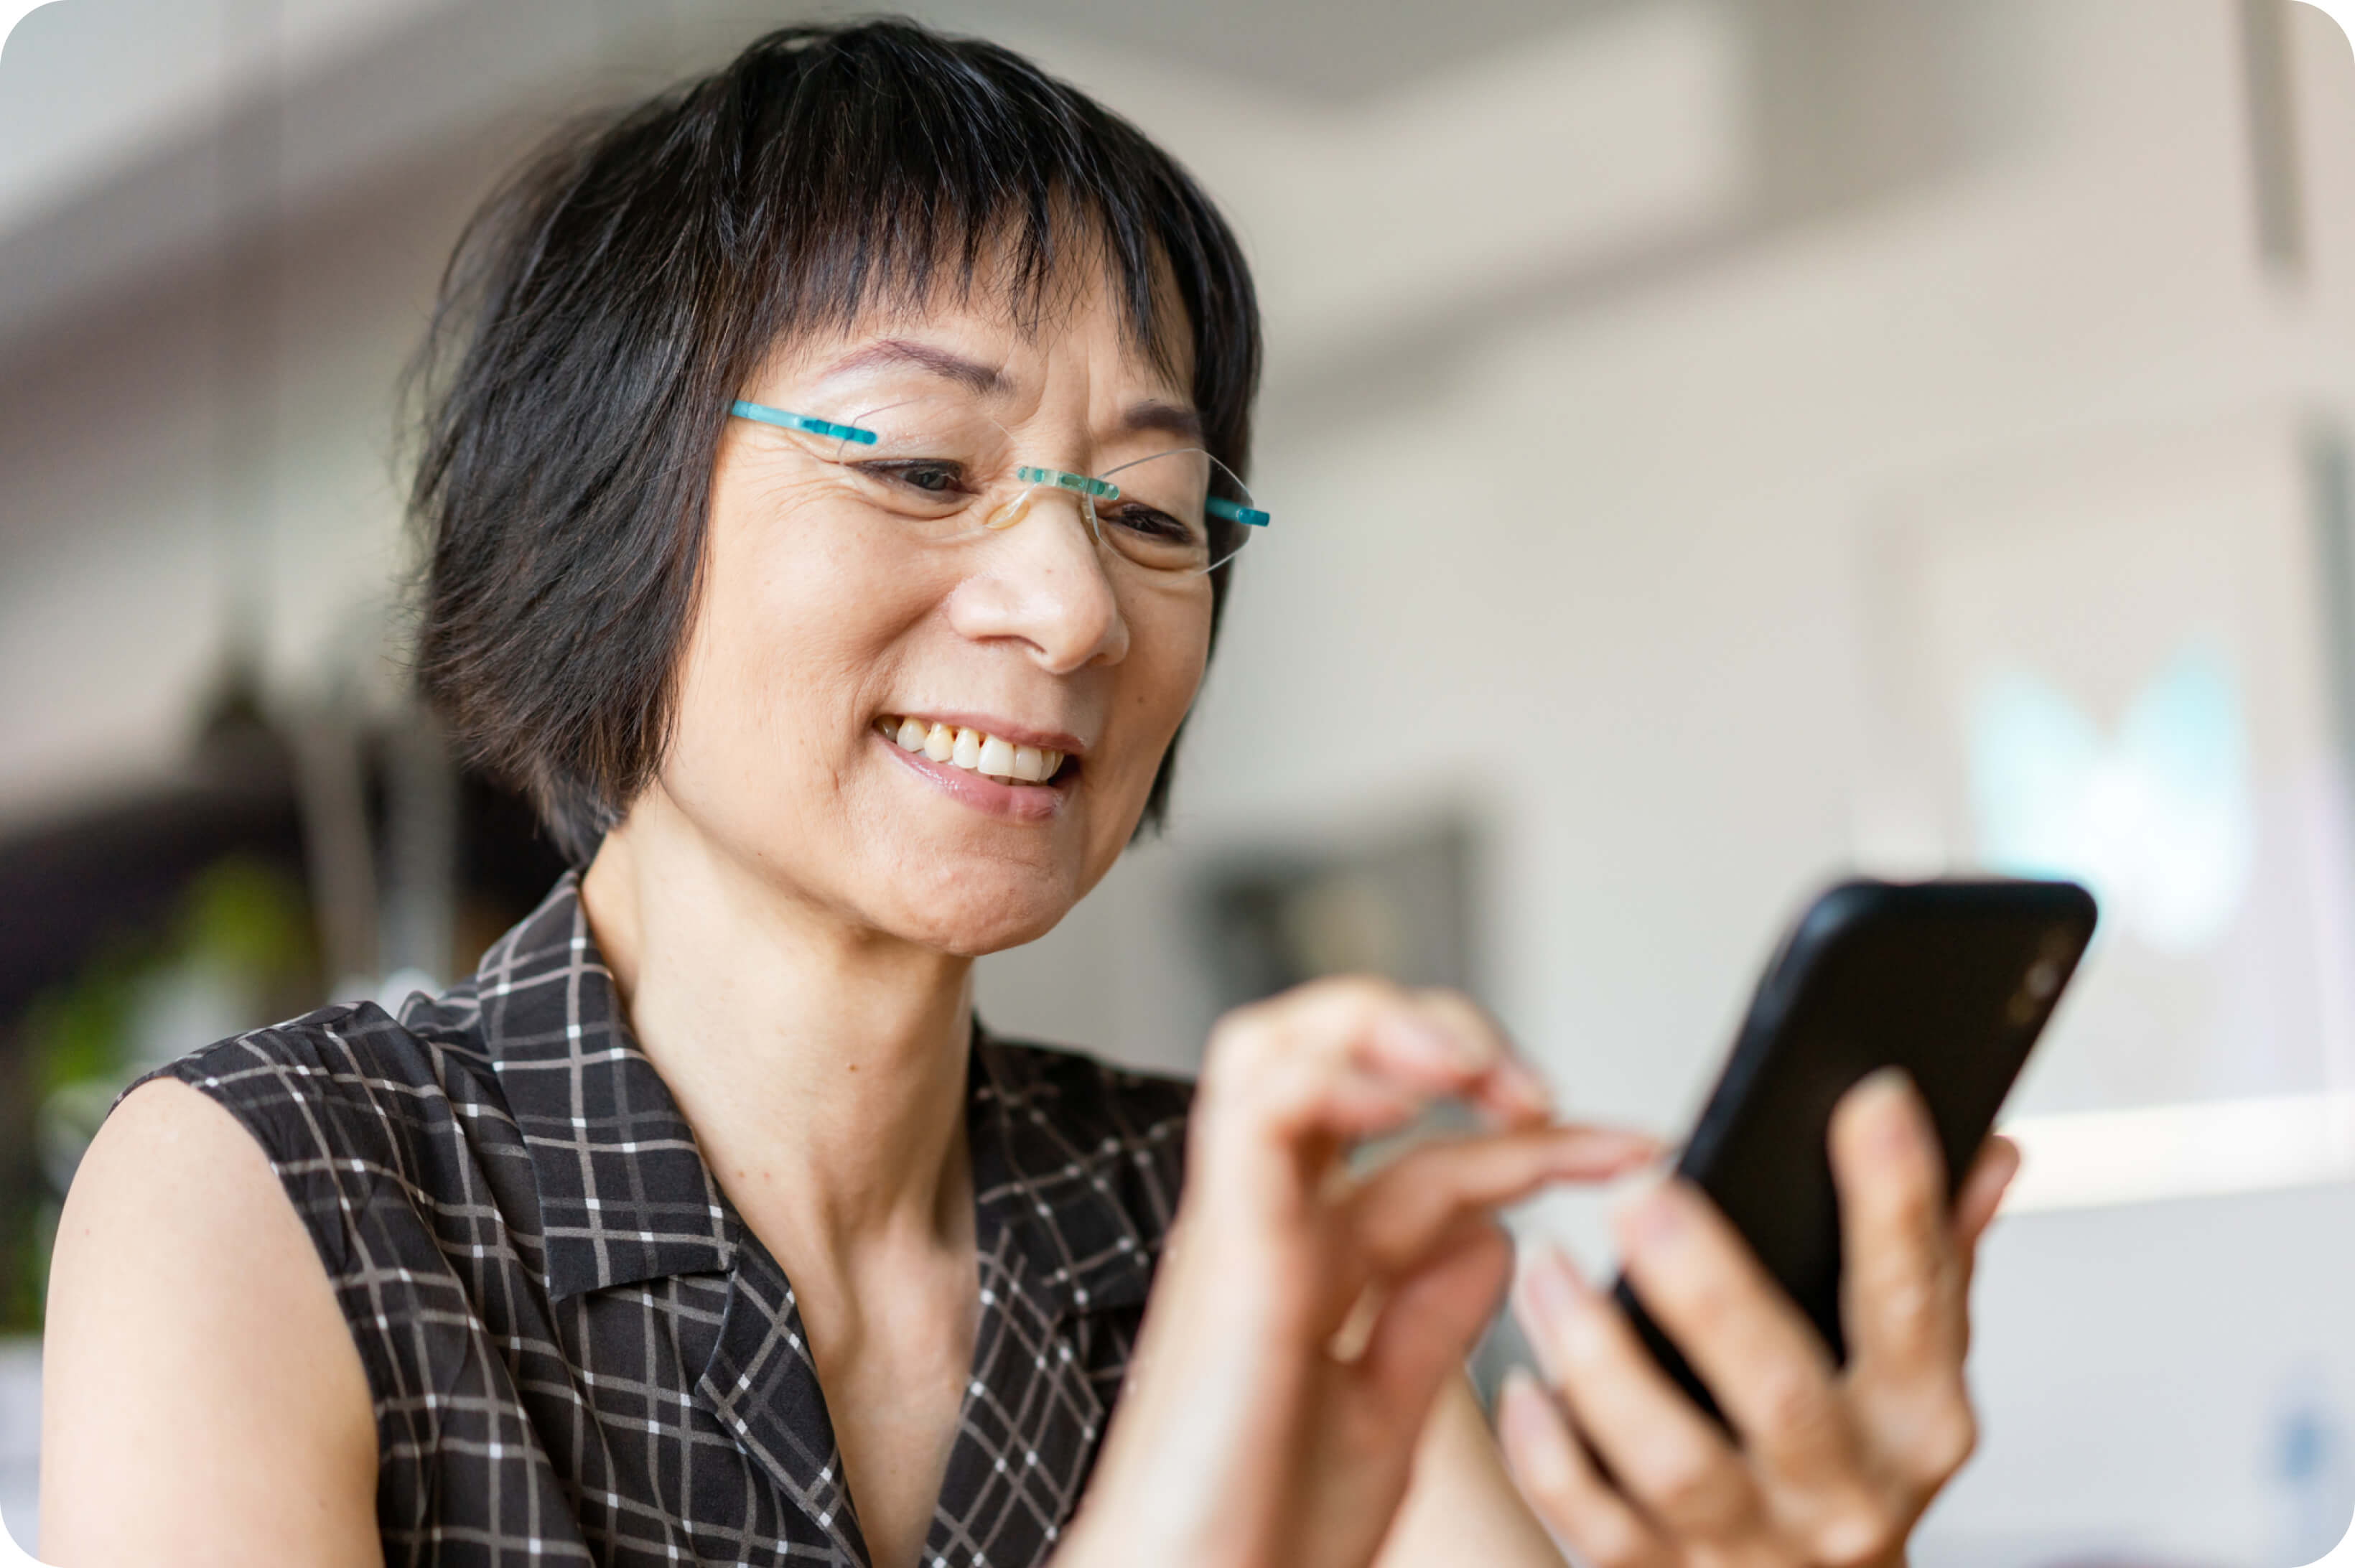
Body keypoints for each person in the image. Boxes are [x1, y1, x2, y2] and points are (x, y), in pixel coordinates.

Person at [37, 21, 2019, 1568]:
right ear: (598, 515)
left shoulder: (1222, 1218)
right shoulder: (273, 1195)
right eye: (918, 467)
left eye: (1151, 510)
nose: (1075, 608)